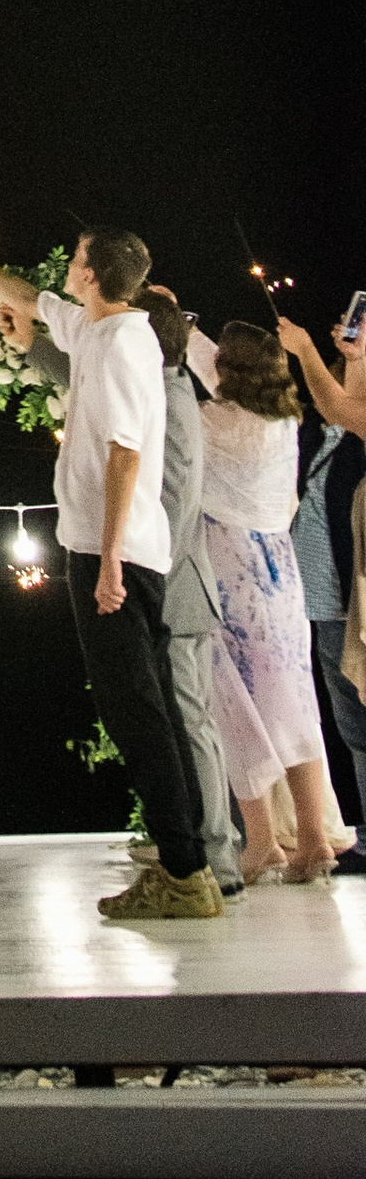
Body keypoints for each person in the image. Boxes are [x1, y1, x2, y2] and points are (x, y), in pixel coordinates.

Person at [0, 214, 223, 921]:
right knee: (152, 709)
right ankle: (191, 864)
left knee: (138, 712)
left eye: (77, 256)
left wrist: (108, 559)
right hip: (117, 545)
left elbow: (124, 452)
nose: (66, 262)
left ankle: (184, 870)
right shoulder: (103, 327)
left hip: (109, 550)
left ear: (91, 272)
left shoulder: (118, 344)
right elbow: (23, 294)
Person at [0, 282, 241, 897]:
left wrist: (124, 564)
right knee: (161, 718)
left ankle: (210, 861)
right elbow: (85, 377)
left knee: (178, 722)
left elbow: (176, 504)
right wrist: (30, 344)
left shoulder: (176, 400)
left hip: (163, 578)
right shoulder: (147, 375)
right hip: (143, 568)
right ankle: (191, 859)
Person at [189, 315, 343, 883]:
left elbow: (202, 378)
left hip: (231, 574)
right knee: (295, 705)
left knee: (236, 705)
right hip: (282, 575)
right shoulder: (283, 421)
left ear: (227, 373)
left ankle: (261, 842)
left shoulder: (213, 421)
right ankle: (311, 838)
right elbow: (219, 367)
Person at [286, 303, 366, 868]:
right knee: (353, 721)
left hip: (355, 594)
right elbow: (344, 407)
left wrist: (307, 349)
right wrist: (352, 357)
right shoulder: (330, 435)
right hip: (324, 595)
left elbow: (344, 406)